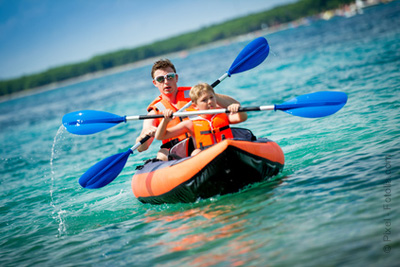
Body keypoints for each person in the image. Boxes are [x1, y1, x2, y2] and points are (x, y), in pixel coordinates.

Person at [136, 59, 242, 161]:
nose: (166, 81)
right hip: (174, 150)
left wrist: (210, 94)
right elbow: (141, 148)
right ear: (155, 83)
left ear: (176, 78)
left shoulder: (195, 95)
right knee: (162, 154)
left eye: (170, 77)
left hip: (200, 142)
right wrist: (147, 134)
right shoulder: (154, 111)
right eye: (160, 79)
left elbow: (236, 106)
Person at [155, 83, 248, 156]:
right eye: (204, 100)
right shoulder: (190, 124)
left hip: (227, 149)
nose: (210, 101)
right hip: (205, 155)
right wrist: (165, 121)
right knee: (195, 153)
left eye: (211, 97)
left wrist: (238, 109)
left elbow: (242, 118)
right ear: (195, 106)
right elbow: (160, 136)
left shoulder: (223, 115)